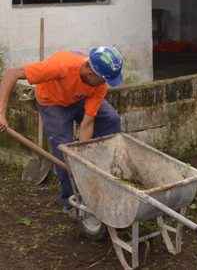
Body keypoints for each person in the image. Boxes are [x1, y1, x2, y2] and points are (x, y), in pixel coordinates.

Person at [0, 46, 124, 212]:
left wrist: (82, 155)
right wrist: (1, 113)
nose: (106, 83)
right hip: (53, 102)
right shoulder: (61, 66)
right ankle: (71, 200)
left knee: (111, 120)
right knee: (64, 148)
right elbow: (11, 73)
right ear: (90, 73)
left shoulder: (99, 84)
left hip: (79, 99)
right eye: (104, 79)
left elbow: (87, 123)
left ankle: (99, 172)